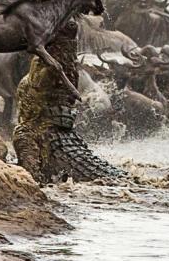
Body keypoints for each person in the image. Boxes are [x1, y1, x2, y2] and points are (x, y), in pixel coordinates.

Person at [13, 19, 125, 184]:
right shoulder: (68, 72)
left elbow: (30, 180)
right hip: (62, 132)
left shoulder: (26, 134)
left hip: (48, 128)